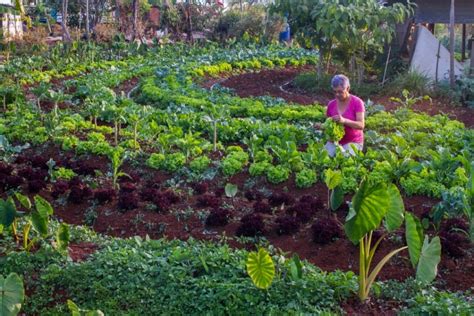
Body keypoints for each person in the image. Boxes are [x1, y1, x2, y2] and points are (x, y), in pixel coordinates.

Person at [323, 74, 365, 157]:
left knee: (344, 159)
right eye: (335, 92)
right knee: (324, 158)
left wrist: (344, 121)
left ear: (348, 88)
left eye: (340, 92)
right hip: (334, 141)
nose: (337, 94)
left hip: (353, 141)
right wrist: (321, 126)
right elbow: (329, 124)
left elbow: (361, 125)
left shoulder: (357, 102)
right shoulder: (331, 104)